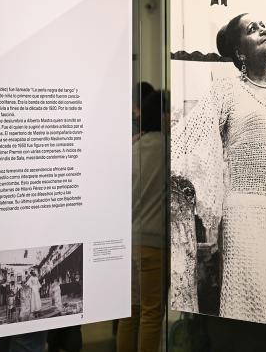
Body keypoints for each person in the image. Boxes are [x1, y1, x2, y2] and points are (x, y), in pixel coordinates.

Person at [171, 13, 266, 324]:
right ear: (240, 53)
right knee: (254, 316)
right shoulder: (225, 91)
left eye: (264, 24)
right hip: (245, 217)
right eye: (253, 29)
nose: (263, 28)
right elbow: (184, 144)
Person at [117, 91, 165, 352]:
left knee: (130, 313)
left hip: (129, 241)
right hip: (153, 243)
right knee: (151, 313)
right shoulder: (167, 147)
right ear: (162, 115)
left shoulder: (133, 148)